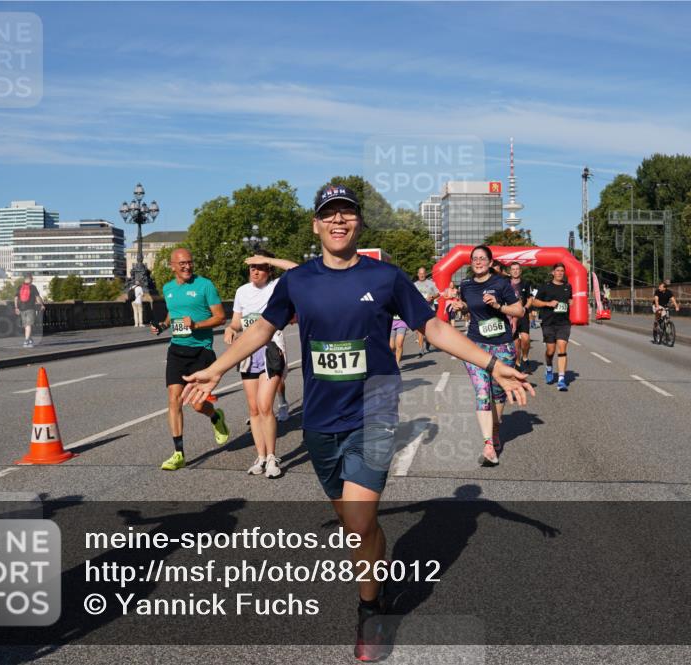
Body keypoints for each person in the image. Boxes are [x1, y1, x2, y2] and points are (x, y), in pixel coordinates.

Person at [181, 184, 532, 661]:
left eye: (347, 212)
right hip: (321, 415)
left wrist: (492, 364)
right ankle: (375, 569)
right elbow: (262, 327)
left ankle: (370, 609)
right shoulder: (297, 281)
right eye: (329, 214)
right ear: (316, 225)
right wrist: (218, 369)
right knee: (354, 525)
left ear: (359, 223)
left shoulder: (386, 277)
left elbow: (431, 327)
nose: (338, 220)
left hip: (375, 407)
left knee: (362, 519)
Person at [444, 245, 525, 466]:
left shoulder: (501, 284)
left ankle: (495, 430)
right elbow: (469, 307)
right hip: (475, 346)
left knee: (498, 394)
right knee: (482, 392)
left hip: (502, 346)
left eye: (482, 258)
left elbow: (519, 311)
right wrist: (461, 306)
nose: (478, 262)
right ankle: (488, 445)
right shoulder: (466, 285)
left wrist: (498, 306)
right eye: (474, 259)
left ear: (490, 262)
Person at [150, 248, 229, 471]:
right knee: (174, 399)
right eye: (182, 263)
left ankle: (215, 416)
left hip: (201, 350)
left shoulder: (205, 285)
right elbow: (172, 312)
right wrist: (163, 325)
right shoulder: (168, 288)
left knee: (197, 404)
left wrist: (196, 325)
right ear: (172, 266)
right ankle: (178, 454)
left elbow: (221, 317)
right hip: (176, 350)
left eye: (190, 262)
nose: (187, 266)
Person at [227, 251, 297, 478]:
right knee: (254, 409)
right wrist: (231, 329)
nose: (255, 271)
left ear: (269, 270)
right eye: (252, 267)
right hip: (248, 351)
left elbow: (297, 269)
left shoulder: (276, 287)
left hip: (271, 349)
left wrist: (269, 260)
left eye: (260, 267)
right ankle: (261, 456)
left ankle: (272, 457)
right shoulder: (241, 291)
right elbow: (237, 322)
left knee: (265, 406)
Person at [532, 263, 574, 390]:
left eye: (562, 271)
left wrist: (571, 302)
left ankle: (561, 379)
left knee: (562, 348)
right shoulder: (545, 286)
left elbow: (570, 299)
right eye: (557, 270)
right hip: (548, 322)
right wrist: (548, 303)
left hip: (563, 323)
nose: (560, 273)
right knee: (550, 351)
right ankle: (549, 367)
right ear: (553, 272)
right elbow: (535, 302)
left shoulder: (568, 286)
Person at [508, 262, 534, 372]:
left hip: (522, 315)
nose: (515, 271)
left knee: (525, 338)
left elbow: (530, 299)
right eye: (513, 269)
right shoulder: (506, 283)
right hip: (510, 315)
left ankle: (525, 358)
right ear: (510, 271)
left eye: (517, 269)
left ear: (520, 271)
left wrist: (525, 309)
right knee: (516, 343)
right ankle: (517, 363)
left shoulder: (526, 283)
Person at [13, 273, 45, 347]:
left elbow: (16, 298)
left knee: (26, 325)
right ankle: (26, 341)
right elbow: (37, 297)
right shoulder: (32, 287)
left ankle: (30, 340)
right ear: (30, 279)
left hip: (21, 309)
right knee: (28, 325)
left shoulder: (20, 287)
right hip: (30, 308)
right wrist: (41, 305)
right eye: (32, 278)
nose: (33, 279)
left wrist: (16, 307)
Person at [412, 267, 438, 356]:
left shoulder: (431, 283)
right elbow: (411, 296)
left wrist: (432, 297)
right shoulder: (414, 285)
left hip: (429, 309)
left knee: (428, 330)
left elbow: (437, 293)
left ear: (425, 274)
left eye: (423, 273)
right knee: (419, 330)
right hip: (419, 309)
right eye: (420, 273)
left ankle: (427, 342)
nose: (422, 275)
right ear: (418, 274)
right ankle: (421, 349)